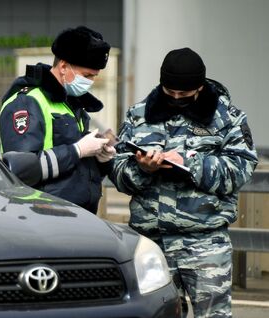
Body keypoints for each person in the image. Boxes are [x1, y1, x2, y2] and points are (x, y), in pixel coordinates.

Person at [109, 48, 258, 317]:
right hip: (151, 245)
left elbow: (241, 169)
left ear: (200, 87)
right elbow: (118, 172)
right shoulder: (138, 115)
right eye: (170, 93)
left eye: (185, 95)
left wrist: (190, 163)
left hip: (205, 244)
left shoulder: (227, 118)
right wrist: (143, 169)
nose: (176, 99)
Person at [0, 26, 115, 213]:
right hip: (41, 215)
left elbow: (75, 172)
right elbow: (21, 171)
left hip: (76, 214)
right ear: (63, 66)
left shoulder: (71, 102)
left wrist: (100, 158)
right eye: (87, 75)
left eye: (94, 76)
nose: (91, 82)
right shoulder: (26, 102)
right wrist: (78, 150)